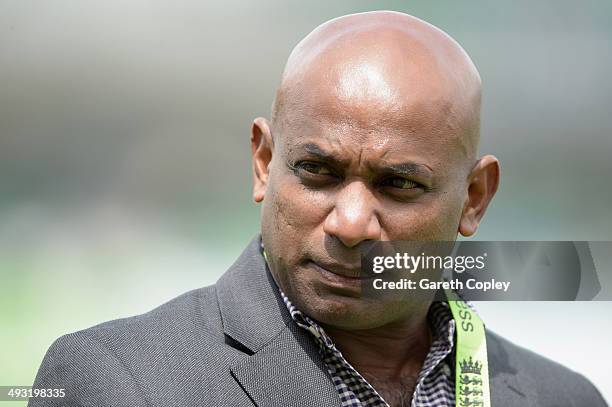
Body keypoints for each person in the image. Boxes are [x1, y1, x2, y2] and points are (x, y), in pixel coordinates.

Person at [29, 11, 607, 407]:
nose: (350, 224)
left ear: (474, 199)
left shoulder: (563, 396)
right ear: (264, 161)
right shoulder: (117, 383)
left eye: (399, 184)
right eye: (318, 173)